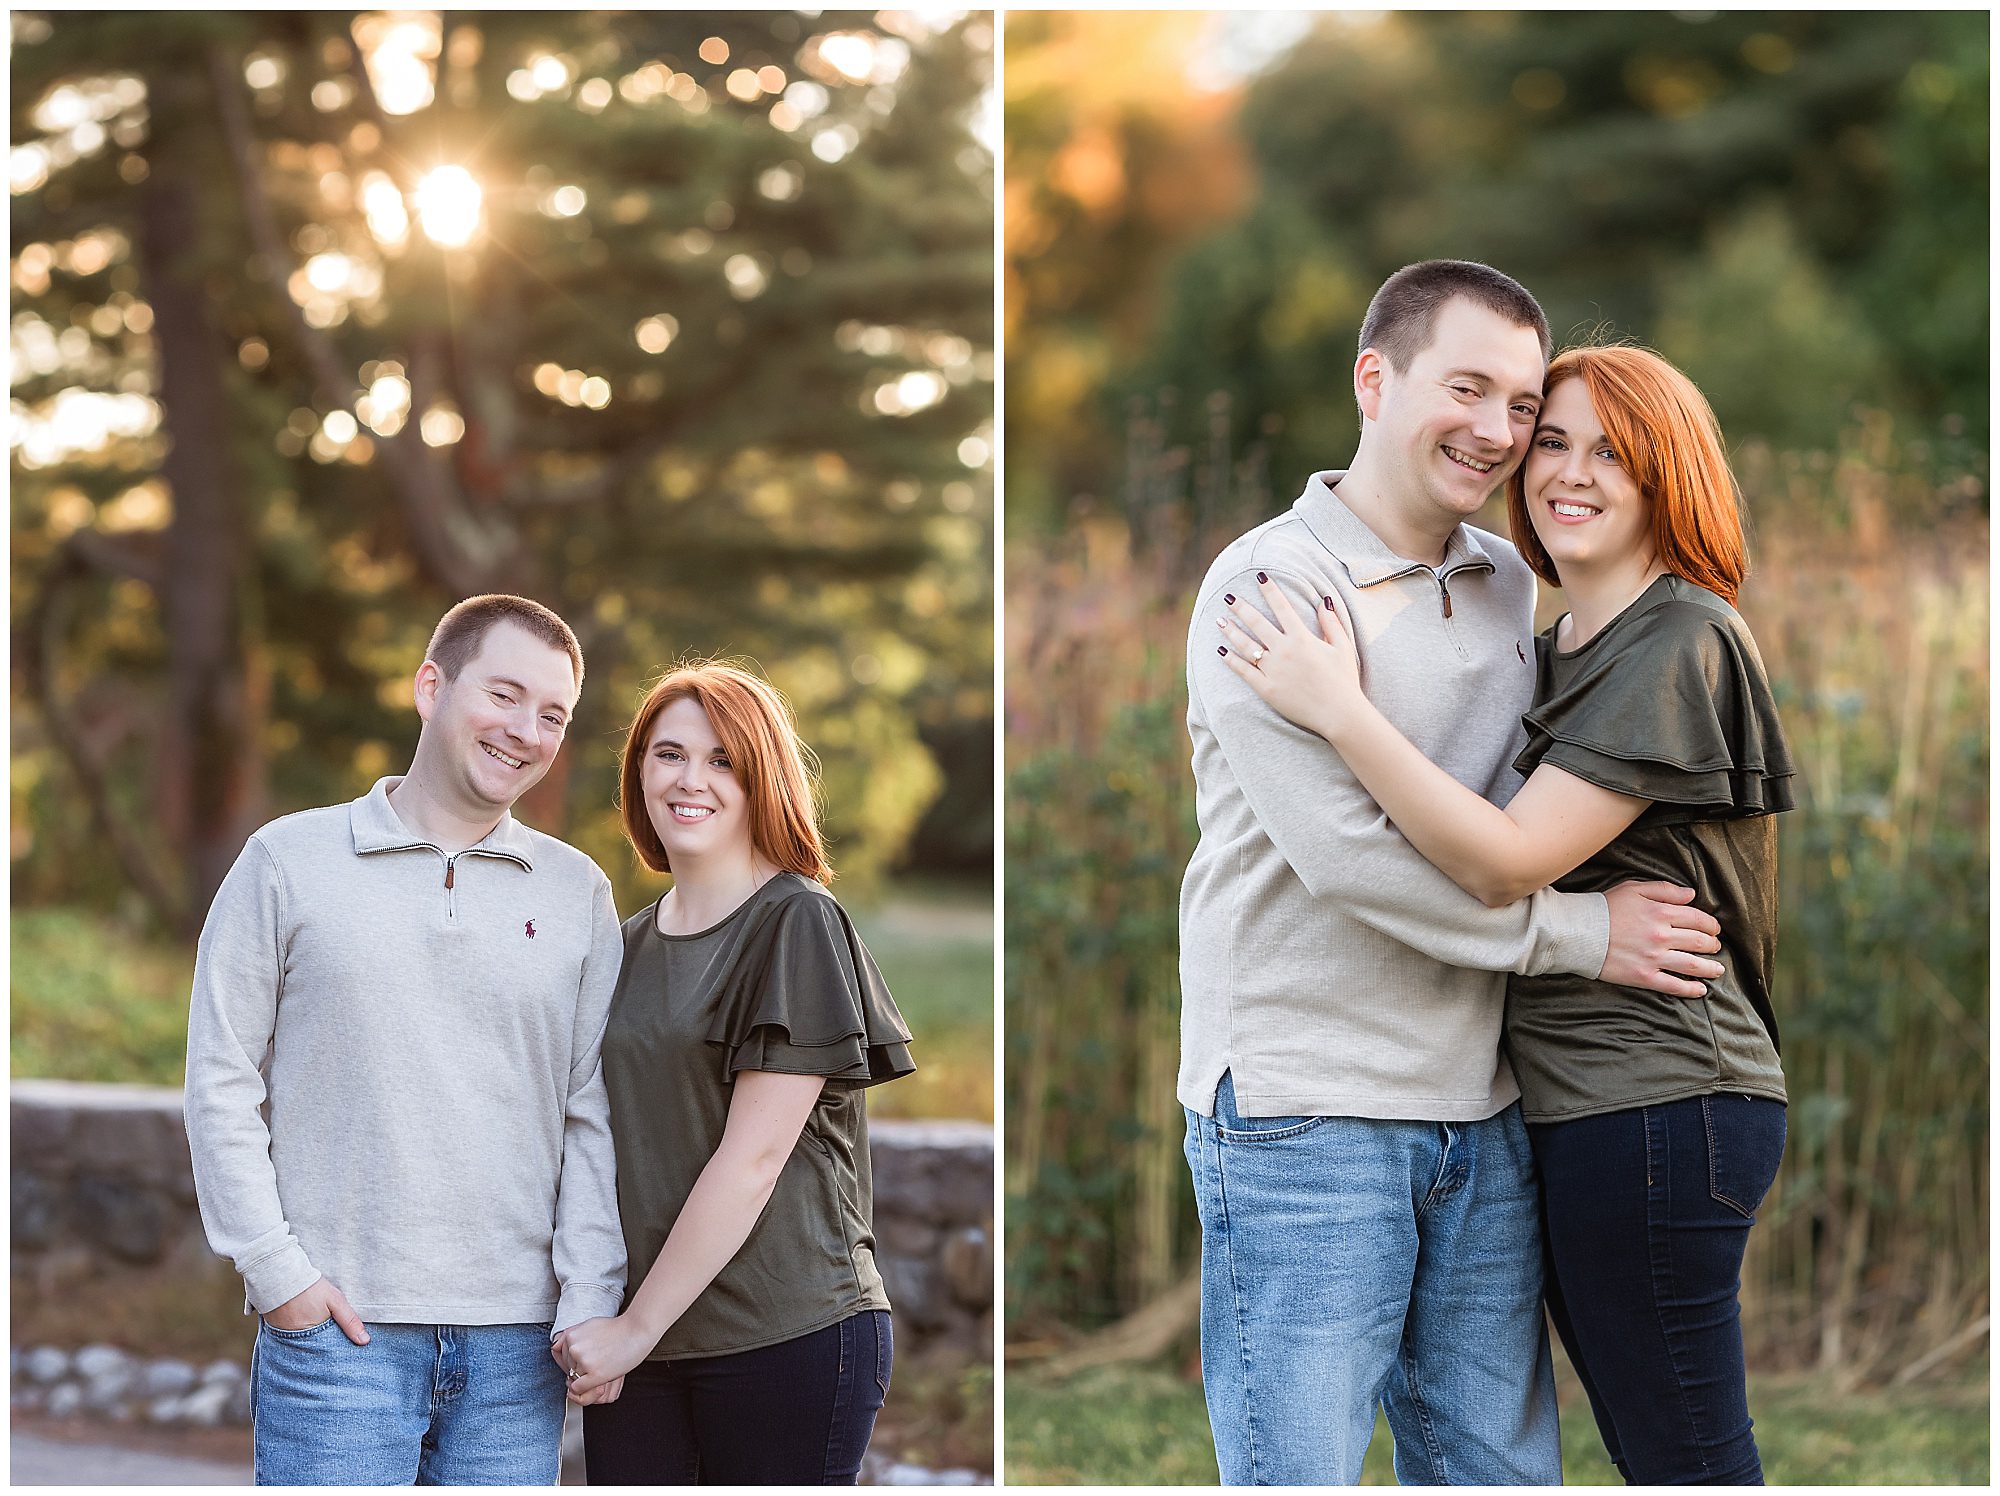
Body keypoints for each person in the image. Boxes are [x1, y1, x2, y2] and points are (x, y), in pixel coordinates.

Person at [1178, 260, 1732, 1485]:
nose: (1497, 433)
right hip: (1304, 1108)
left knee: (1495, 1466)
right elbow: (1352, 866)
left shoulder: (1502, 585)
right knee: (1297, 1467)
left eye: (1521, 403)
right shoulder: (1270, 585)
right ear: (1373, 380)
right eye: (1465, 388)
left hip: (1478, 1108)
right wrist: (1579, 936)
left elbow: (1520, 814)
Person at [184, 594, 629, 1484]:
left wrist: (589, 1294)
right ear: (431, 686)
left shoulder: (576, 892)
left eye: (553, 715)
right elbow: (221, 1078)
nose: (526, 731)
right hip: (338, 1336)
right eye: (504, 695)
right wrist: (278, 1276)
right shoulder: (288, 861)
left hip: (518, 1352)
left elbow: (593, 1111)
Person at [556, 661, 915, 1485]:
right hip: (647, 1340)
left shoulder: (796, 922)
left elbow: (753, 1161)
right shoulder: (627, 945)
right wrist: (613, 1319)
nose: (690, 780)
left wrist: (633, 1329)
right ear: (637, 770)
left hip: (787, 1335)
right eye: (668, 754)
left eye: (723, 761)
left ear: (763, 780)